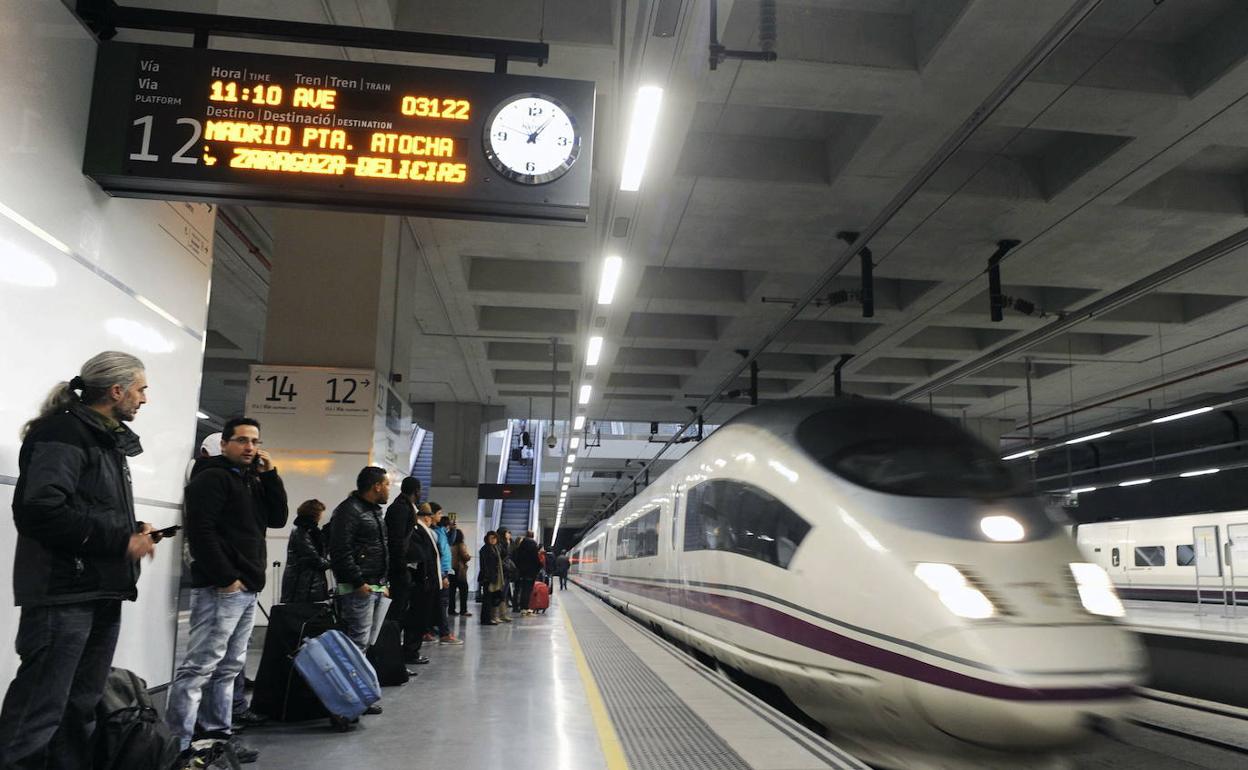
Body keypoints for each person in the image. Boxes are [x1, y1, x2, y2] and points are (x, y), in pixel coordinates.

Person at [0, 352, 158, 770]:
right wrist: (120, 541)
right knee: (40, 709)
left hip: (97, 589)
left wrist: (133, 526)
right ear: (117, 390)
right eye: (141, 389)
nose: (144, 399)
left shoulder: (103, 437)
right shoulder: (63, 433)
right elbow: (40, 510)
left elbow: (88, 506)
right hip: (63, 594)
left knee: (79, 707)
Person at [166, 417, 288, 762]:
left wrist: (270, 474)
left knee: (230, 666)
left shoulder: (250, 480)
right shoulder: (211, 479)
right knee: (200, 667)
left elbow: (278, 518)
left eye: (255, 441)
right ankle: (179, 743)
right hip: (224, 588)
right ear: (224, 444)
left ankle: (217, 735)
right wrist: (225, 578)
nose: (250, 447)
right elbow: (201, 533)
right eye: (242, 440)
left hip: (247, 587)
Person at [329, 468, 391, 679]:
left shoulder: (373, 511)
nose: (388, 489)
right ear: (377, 486)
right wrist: (358, 582)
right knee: (356, 643)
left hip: (374, 586)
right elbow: (340, 551)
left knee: (363, 642)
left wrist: (382, 583)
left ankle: (358, 691)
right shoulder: (349, 511)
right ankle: (348, 696)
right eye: (387, 484)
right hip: (359, 589)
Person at [385, 478, 433, 665]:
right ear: (417, 490)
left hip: (407, 572)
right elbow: (397, 542)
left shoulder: (405, 508)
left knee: (408, 615)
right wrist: (402, 569)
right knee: (399, 616)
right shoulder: (400, 509)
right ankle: (395, 659)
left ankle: (403, 655)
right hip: (402, 573)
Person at [280, 500, 329, 604]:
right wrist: (332, 563)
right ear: (315, 513)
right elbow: (313, 558)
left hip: (308, 584)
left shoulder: (311, 531)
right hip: (303, 586)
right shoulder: (301, 532)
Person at [432, 510, 463, 645]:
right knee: (442, 602)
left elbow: (450, 542)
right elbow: (436, 554)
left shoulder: (443, 533)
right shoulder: (436, 533)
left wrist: (454, 529)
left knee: (440, 602)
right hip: (441, 571)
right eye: (439, 513)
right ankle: (443, 633)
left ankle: (434, 629)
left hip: (445, 570)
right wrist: (443, 574)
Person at [477, 531, 504, 625]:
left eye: (495, 538)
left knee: (490, 599)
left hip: (494, 577)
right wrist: (487, 577)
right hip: (488, 578)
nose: (493, 540)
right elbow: (484, 566)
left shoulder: (495, 548)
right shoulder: (485, 549)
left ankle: (488, 618)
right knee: (487, 600)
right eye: (491, 538)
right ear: (487, 539)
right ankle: (486, 619)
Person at [513, 530, 541, 616]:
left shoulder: (521, 545)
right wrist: (539, 567)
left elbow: (517, 559)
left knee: (522, 590)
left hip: (522, 572)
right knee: (527, 590)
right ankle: (525, 608)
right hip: (531, 572)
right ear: (533, 536)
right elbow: (535, 559)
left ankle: (522, 608)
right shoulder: (533, 545)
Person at [448, 528, 472, 617]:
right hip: (459, 570)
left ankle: (451, 609)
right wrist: (469, 557)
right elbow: (465, 556)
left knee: (452, 591)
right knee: (464, 590)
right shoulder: (461, 545)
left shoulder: (450, 545)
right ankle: (463, 610)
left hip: (451, 569)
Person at [496, 527, 515, 621]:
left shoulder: (508, 543)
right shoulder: (500, 544)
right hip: (501, 572)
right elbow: (502, 558)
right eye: (508, 532)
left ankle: (502, 614)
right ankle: (499, 615)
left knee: (504, 594)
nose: (509, 534)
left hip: (506, 572)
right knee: (500, 593)